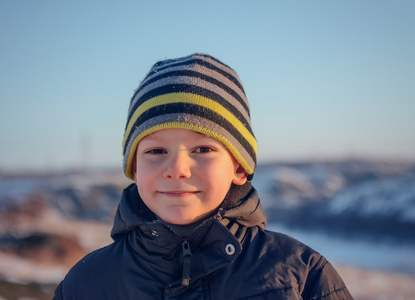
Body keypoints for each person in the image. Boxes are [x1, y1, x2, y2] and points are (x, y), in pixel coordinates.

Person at [53, 53, 353, 299]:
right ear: (134, 168)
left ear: (238, 167)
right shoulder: (87, 283)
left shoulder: (298, 275)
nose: (177, 169)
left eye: (202, 149)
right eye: (156, 151)